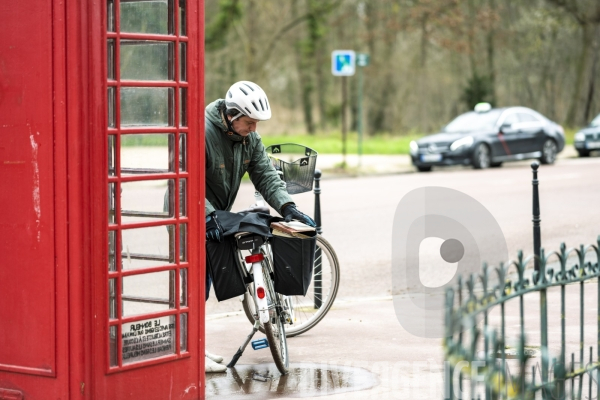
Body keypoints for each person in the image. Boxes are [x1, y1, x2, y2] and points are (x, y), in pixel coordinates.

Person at [203, 81, 316, 372]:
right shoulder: (202, 133)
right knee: (196, 284)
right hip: (187, 210)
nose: (254, 128)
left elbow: (266, 176)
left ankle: (194, 347)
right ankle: (190, 351)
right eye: (249, 122)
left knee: (209, 279)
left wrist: (288, 207)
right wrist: (205, 214)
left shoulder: (249, 140)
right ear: (231, 115)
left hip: (216, 214)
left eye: (256, 123)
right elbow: (183, 180)